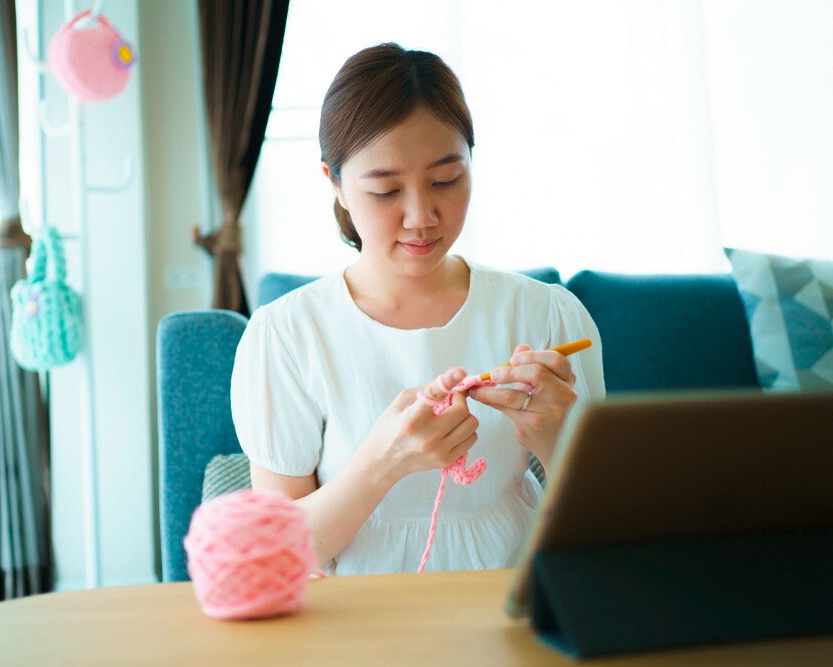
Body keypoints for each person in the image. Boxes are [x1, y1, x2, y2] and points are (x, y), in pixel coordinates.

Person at [230, 43, 605, 576]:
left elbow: (602, 529)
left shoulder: (547, 315)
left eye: (446, 181)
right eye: (386, 191)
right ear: (334, 184)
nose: (421, 217)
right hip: (357, 622)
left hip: (514, 596)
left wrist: (555, 439)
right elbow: (278, 555)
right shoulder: (288, 336)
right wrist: (384, 463)